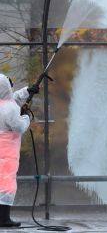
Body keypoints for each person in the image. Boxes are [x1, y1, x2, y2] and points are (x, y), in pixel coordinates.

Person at [0, 73, 39, 227]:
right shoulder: (9, 108)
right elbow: (19, 127)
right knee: (6, 184)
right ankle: (3, 219)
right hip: (6, 154)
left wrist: (27, 91)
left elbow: (12, 99)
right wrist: (26, 117)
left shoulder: (5, 104)